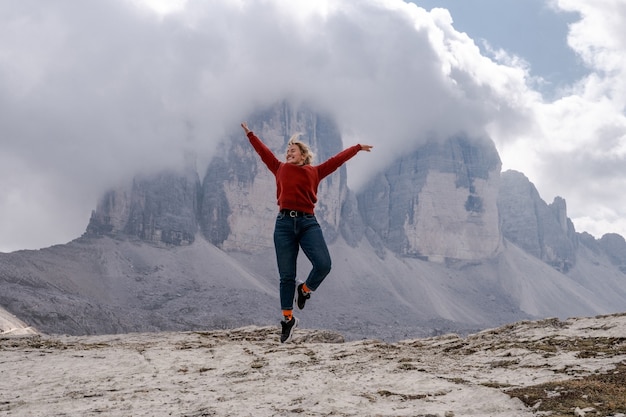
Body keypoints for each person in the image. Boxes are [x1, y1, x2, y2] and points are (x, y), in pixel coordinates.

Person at [241, 121, 373, 343]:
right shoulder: (279, 168)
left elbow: (337, 161)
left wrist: (357, 147)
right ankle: (288, 320)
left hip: (307, 223)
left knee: (324, 264)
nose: (288, 153)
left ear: (303, 155)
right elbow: (264, 153)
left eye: (292, 151)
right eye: (287, 151)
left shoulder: (315, 171)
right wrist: (251, 135)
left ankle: (305, 289)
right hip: (283, 225)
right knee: (286, 276)